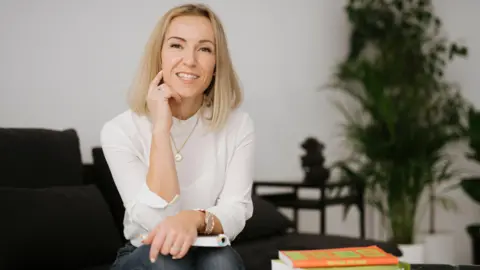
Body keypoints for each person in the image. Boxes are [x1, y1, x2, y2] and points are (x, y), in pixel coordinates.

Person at [100, 3, 254, 270]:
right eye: (176, 45)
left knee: (223, 261)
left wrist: (193, 219)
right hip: (143, 254)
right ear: (159, 55)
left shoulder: (238, 125)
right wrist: (161, 129)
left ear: (216, 64)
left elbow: (237, 210)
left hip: (207, 250)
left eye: (204, 48)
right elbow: (155, 221)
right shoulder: (119, 130)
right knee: (166, 262)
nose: (190, 60)